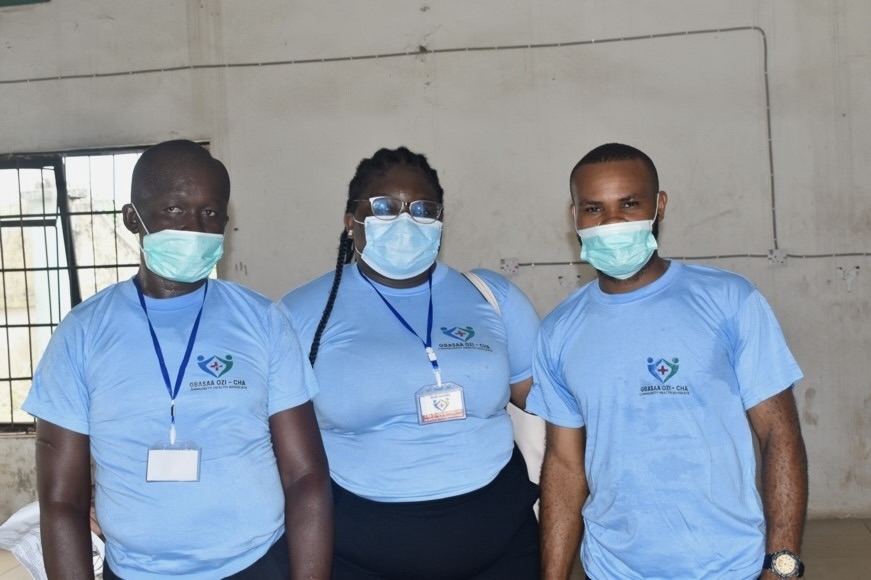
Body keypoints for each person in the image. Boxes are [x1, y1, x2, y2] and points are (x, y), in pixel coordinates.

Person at [23, 140, 333, 579]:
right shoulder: (83, 333)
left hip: (257, 564)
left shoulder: (263, 320)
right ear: (133, 218)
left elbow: (306, 477)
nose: (194, 227)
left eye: (210, 213)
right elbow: (61, 501)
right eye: (174, 210)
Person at [526, 143, 808, 580]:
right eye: (594, 209)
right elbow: (564, 466)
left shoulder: (730, 300)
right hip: (612, 569)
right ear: (575, 217)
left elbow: (779, 434)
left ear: (659, 206)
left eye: (629, 204)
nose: (612, 224)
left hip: (729, 567)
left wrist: (782, 564)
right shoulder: (559, 330)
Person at [279, 146, 542, 579]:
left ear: (439, 222)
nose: (405, 221)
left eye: (422, 209)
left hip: (502, 546)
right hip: (358, 553)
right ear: (351, 221)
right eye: (385, 207)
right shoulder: (302, 313)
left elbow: (544, 403)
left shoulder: (491, 298)